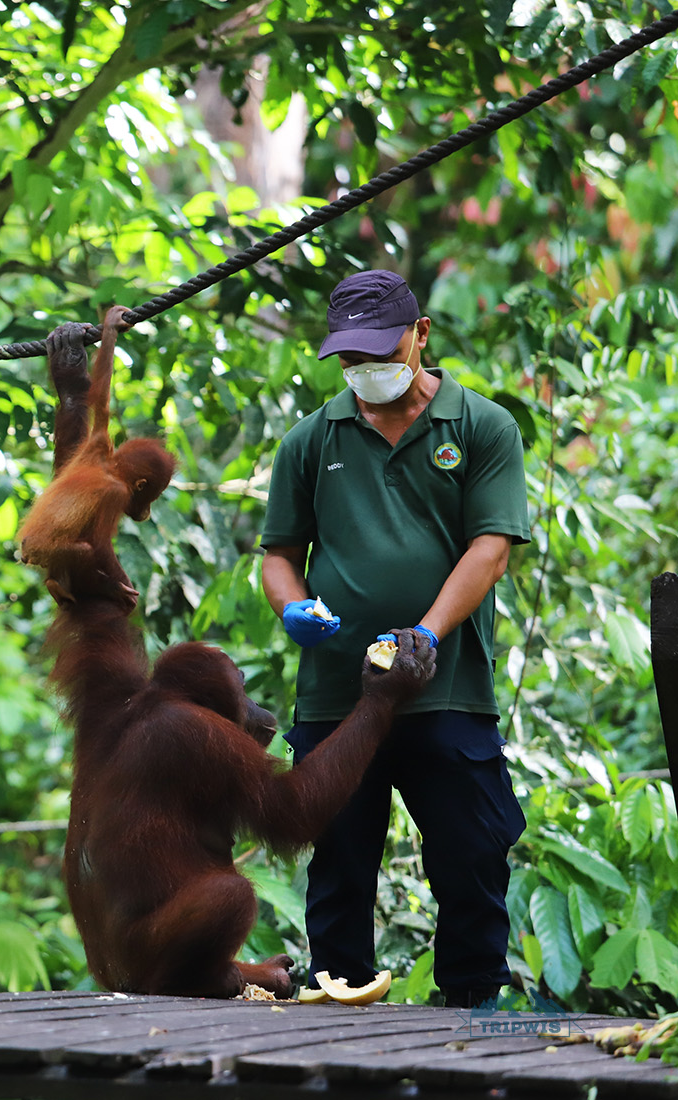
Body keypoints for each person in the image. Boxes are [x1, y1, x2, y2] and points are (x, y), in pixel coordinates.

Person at [258, 269, 531, 1009]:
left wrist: (425, 634)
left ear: (421, 336)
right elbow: (279, 553)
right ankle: (337, 1005)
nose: (364, 372)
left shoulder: (480, 426)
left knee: (471, 853)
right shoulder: (313, 439)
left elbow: (491, 547)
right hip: (337, 694)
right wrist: (292, 607)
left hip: (443, 686)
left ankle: (473, 1006)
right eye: (351, 360)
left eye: (379, 353)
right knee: (340, 858)